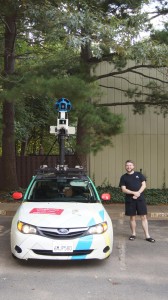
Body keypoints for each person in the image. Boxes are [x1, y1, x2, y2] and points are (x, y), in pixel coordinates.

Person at [119, 160, 155, 243]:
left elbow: (144, 185)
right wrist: (133, 193)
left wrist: (138, 193)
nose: (129, 167)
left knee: (144, 217)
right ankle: (133, 234)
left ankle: (147, 236)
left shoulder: (139, 174)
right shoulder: (123, 177)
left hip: (140, 199)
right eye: (127, 165)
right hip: (130, 200)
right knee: (132, 217)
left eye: (130, 165)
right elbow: (123, 189)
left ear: (133, 166)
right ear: (125, 167)